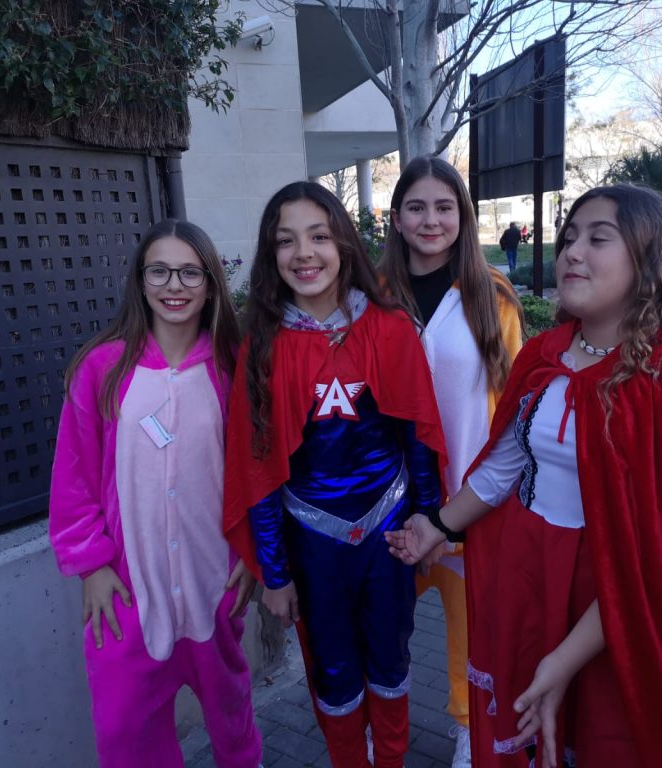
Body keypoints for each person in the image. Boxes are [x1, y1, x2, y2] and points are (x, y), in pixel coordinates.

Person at [387, 184, 662, 768]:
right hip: (534, 579)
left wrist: (565, 659)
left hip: (627, 607)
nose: (572, 251)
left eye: (598, 238)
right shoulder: (545, 354)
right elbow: (502, 469)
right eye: (569, 237)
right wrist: (436, 525)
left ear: (650, 257)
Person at [222, 181, 446, 768]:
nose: (304, 253)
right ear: (271, 254)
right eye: (286, 241)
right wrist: (275, 575)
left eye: (318, 236)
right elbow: (258, 472)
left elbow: (418, 437)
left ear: (343, 243)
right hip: (311, 545)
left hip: (389, 534)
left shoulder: (391, 328)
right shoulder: (262, 346)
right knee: (334, 672)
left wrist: (427, 521)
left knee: (392, 662)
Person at [48, 220, 261, 768]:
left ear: (210, 284)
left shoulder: (232, 367)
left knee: (231, 713)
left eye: (190, 272)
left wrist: (253, 551)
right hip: (125, 591)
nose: (174, 285)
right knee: (125, 730)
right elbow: (73, 478)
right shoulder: (101, 368)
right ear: (140, 281)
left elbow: (256, 471)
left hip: (213, 581)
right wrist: (91, 566)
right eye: (159, 271)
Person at [379, 156, 524, 767]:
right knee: (384, 625)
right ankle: (381, 725)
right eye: (416, 207)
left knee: (472, 630)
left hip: (469, 499)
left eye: (444, 207)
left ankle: (469, 727)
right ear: (396, 218)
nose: (430, 220)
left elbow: (514, 403)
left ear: (463, 215)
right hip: (386, 500)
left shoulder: (493, 294)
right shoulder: (371, 296)